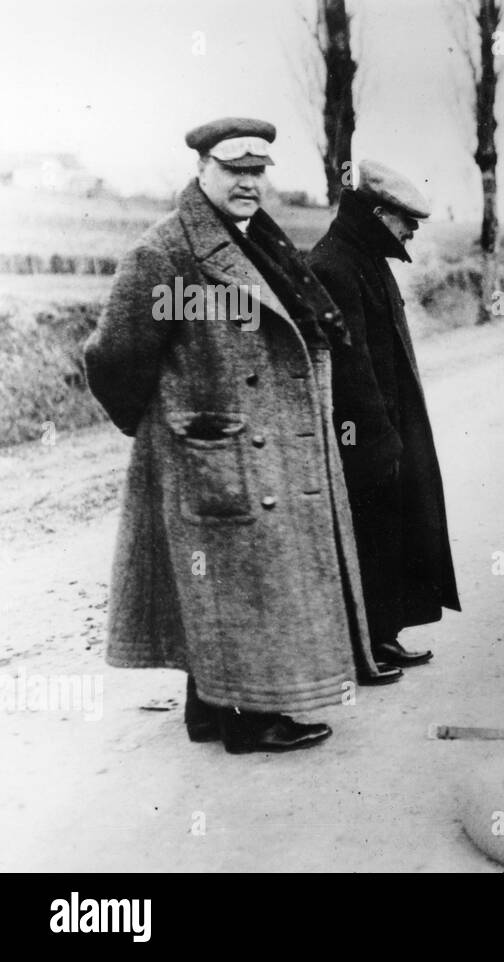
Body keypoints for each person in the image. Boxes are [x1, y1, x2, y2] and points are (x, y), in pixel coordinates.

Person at [83, 118, 383, 753]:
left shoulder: (258, 241)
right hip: (215, 451)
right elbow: (115, 358)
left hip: (256, 448)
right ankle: (248, 722)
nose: (248, 182)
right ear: (201, 169)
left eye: (258, 171)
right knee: (237, 581)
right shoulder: (165, 254)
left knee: (231, 581)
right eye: (233, 169)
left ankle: (209, 709)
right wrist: (171, 427)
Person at [308, 160, 460, 681]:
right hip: (363, 436)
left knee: (387, 534)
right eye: (404, 219)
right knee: (365, 539)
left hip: (385, 430)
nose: (411, 229)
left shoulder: (363, 257)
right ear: (377, 214)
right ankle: (361, 651)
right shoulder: (334, 264)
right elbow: (349, 371)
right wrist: (376, 441)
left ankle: (382, 636)